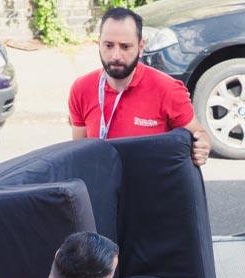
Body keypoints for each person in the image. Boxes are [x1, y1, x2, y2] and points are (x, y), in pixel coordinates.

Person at [68, 7, 212, 166]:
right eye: (108, 46)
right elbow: (78, 152)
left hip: (149, 185)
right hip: (102, 185)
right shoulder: (81, 88)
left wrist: (202, 146)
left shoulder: (167, 90)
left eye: (125, 47)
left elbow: (199, 134)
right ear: (99, 43)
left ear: (141, 46)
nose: (116, 56)